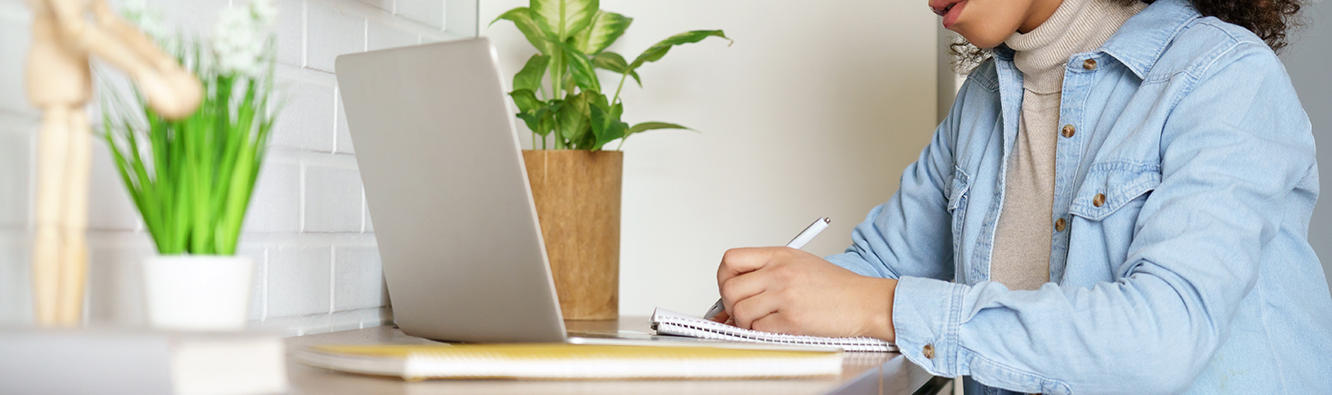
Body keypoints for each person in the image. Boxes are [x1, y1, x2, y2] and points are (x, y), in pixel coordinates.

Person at [709, 0, 1332, 392]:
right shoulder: (984, 97)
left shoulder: (1224, 77)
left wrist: (884, 306)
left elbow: (1160, 339)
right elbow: (879, 266)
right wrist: (770, 304)